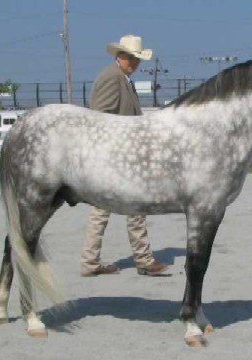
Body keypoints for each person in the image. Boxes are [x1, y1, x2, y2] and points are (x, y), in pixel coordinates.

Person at [81, 34, 169, 277]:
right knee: (120, 209)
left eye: (137, 58)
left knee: (112, 210)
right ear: (120, 57)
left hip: (120, 157)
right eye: (132, 58)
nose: (136, 63)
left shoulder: (122, 78)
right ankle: (141, 259)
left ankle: (96, 261)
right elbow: (99, 117)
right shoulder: (112, 78)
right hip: (115, 157)